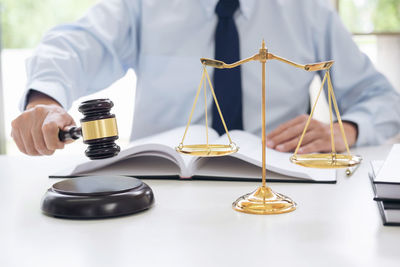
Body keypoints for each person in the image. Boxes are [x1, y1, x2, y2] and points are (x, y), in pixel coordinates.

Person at [11, 0, 400, 156]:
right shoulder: (142, 5)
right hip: (160, 191)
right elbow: (74, 45)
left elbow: (381, 99)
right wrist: (43, 101)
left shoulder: (309, 11)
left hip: (279, 187)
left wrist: (346, 129)